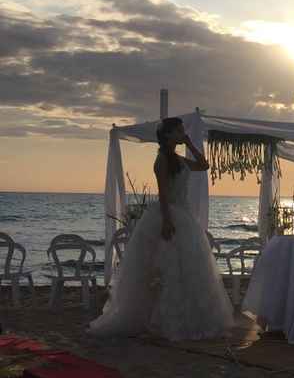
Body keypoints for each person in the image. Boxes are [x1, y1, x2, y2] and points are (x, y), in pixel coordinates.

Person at [89, 117, 234, 341]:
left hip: (184, 215)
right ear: (168, 135)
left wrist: (190, 144)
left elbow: (204, 165)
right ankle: (158, 320)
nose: (182, 132)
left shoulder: (179, 159)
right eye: (179, 130)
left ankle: (186, 317)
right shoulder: (162, 161)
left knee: (187, 269)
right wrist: (167, 221)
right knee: (165, 269)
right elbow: (164, 194)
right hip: (168, 215)